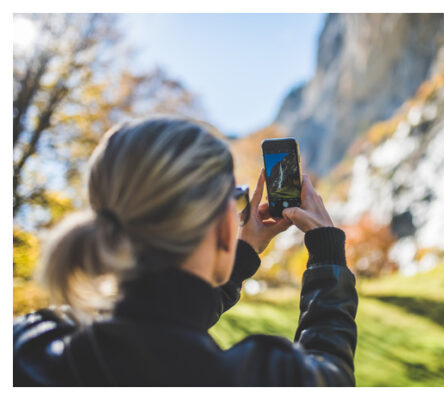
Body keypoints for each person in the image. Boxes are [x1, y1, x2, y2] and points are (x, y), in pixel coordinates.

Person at [13, 118, 358, 386]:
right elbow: (331, 375)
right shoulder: (256, 380)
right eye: (234, 197)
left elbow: (157, 315)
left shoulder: (28, 341)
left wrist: (236, 253)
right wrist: (327, 254)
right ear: (224, 227)